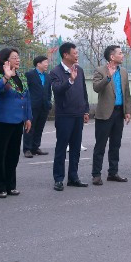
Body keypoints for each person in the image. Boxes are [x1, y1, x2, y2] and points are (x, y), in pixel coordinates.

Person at [0, 48, 33, 198]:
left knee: (13, 155)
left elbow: (26, 98)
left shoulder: (21, 76)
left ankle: (10, 185)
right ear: (5, 60)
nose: (18, 60)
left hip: (18, 120)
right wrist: (6, 78)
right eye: (14, 57)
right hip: (2, 121)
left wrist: (28, 118)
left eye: (18, 57)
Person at [50, 42, 90, 191]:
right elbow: (57, 90)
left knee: (76, 148)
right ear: (65, 55)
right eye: (75, 53)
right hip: (64, 115)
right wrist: (70, 80)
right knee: (61, 148)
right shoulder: (55, 72)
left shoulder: (79, 70)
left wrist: (86, 110)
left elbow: (83, 91)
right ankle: (58, 179)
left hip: (78, 114)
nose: (77, 55)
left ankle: (73, 177)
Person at [90, 45, 131, 186]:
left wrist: (128, 111)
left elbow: (127, 93)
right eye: (120, 53)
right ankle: (96, 175)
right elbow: (96, 88)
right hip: (105, 114)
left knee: (115, 145)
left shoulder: (124, 72)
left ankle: (113, 173)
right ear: (112, 56)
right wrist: (108, 76)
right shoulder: (100, 70)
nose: (122, 55)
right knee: (100, 146)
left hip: (119, 113)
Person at [23, 56, 52, 158]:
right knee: (29, 127)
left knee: (39, 128)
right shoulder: (30, 75)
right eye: (45, 62)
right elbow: (25, 90)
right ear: (38, 64)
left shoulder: (47, 76)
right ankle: (27, 149)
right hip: (32, 106)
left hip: (44, 106)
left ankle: (35, 148)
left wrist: (49, 102)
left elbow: (48, 91)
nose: (47, 64)